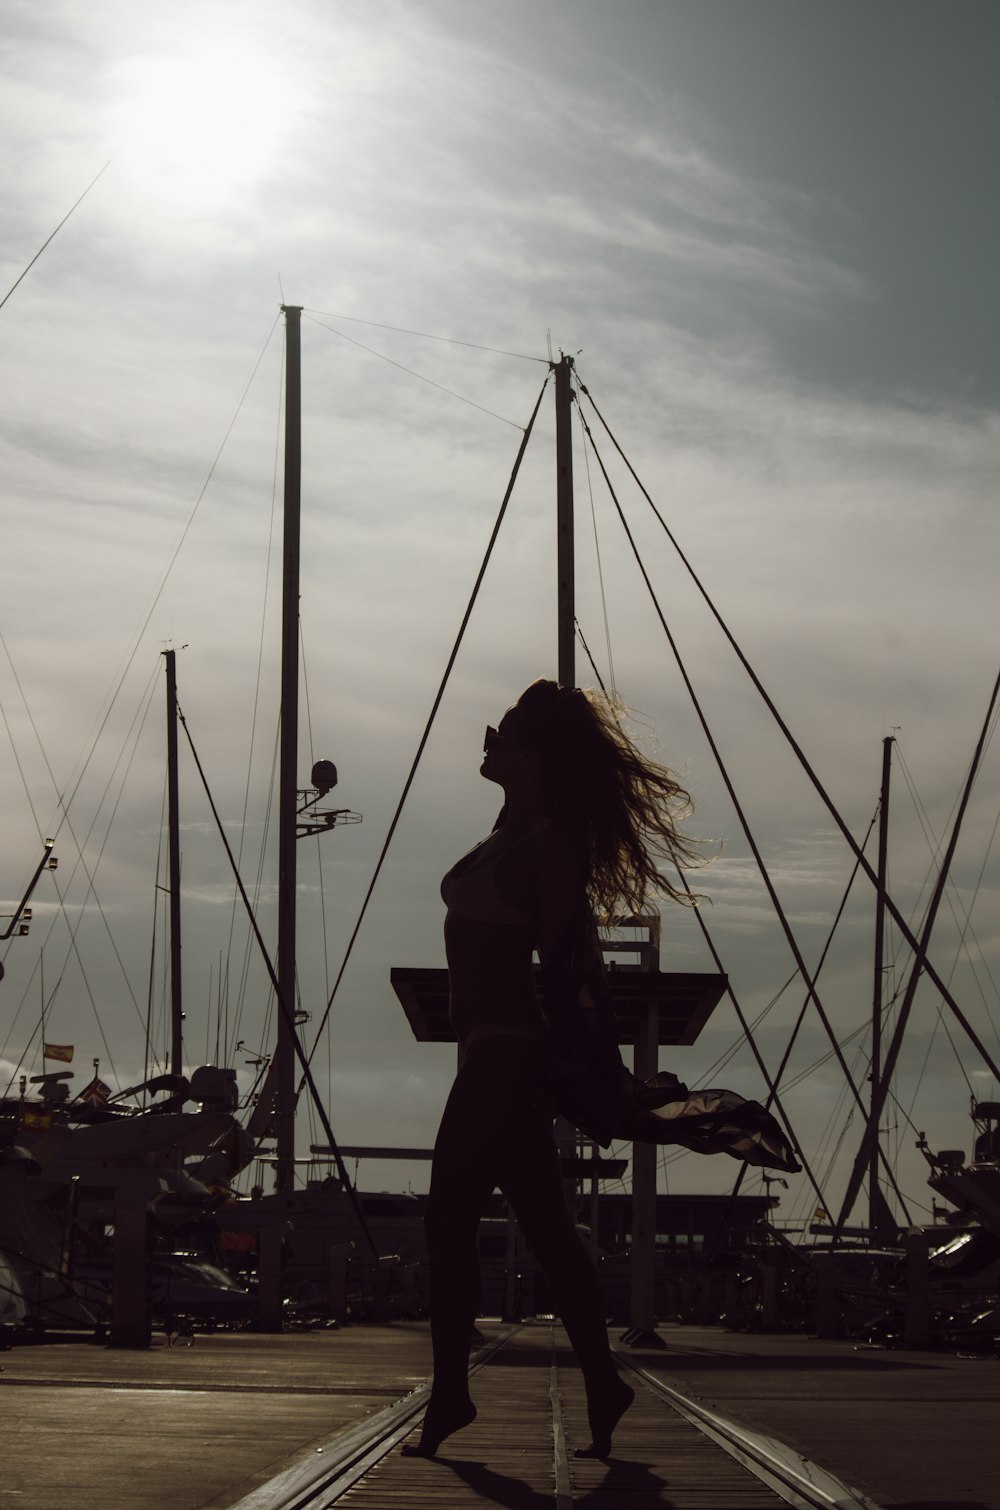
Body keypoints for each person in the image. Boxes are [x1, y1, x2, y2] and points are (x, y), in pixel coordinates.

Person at [402, 678, 703, 1461]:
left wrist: (595, 1076)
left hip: (508, 1051)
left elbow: (571, 968)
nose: (486, 741)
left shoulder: (550, 848)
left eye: (498, 731)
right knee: (548, 1230)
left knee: (447, 1219)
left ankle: (451, 1399)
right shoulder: (506, 833)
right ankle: (603, 1385)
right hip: (489, 1050)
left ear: (530, 754)